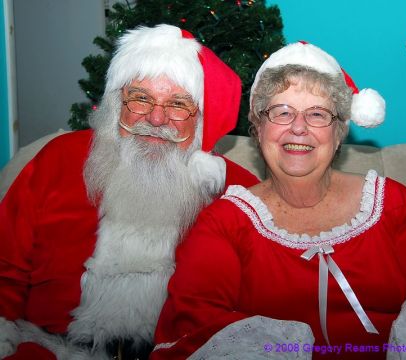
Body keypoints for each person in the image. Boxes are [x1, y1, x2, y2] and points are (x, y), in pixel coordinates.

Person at [151, 41, 406, 359]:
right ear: (259, 128)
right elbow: (192, 330)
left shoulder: (393, 204)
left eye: (317, 114)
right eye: (282, 112)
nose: (298, 128)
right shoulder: (224, 223)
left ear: (338, 133)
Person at [0, 24, 259, 360]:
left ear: (201, 120)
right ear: (115, 104)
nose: (155, 118)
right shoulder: (58, 159)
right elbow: (4, 266)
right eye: (140, 98)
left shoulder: (235, 192)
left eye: (178, 104)